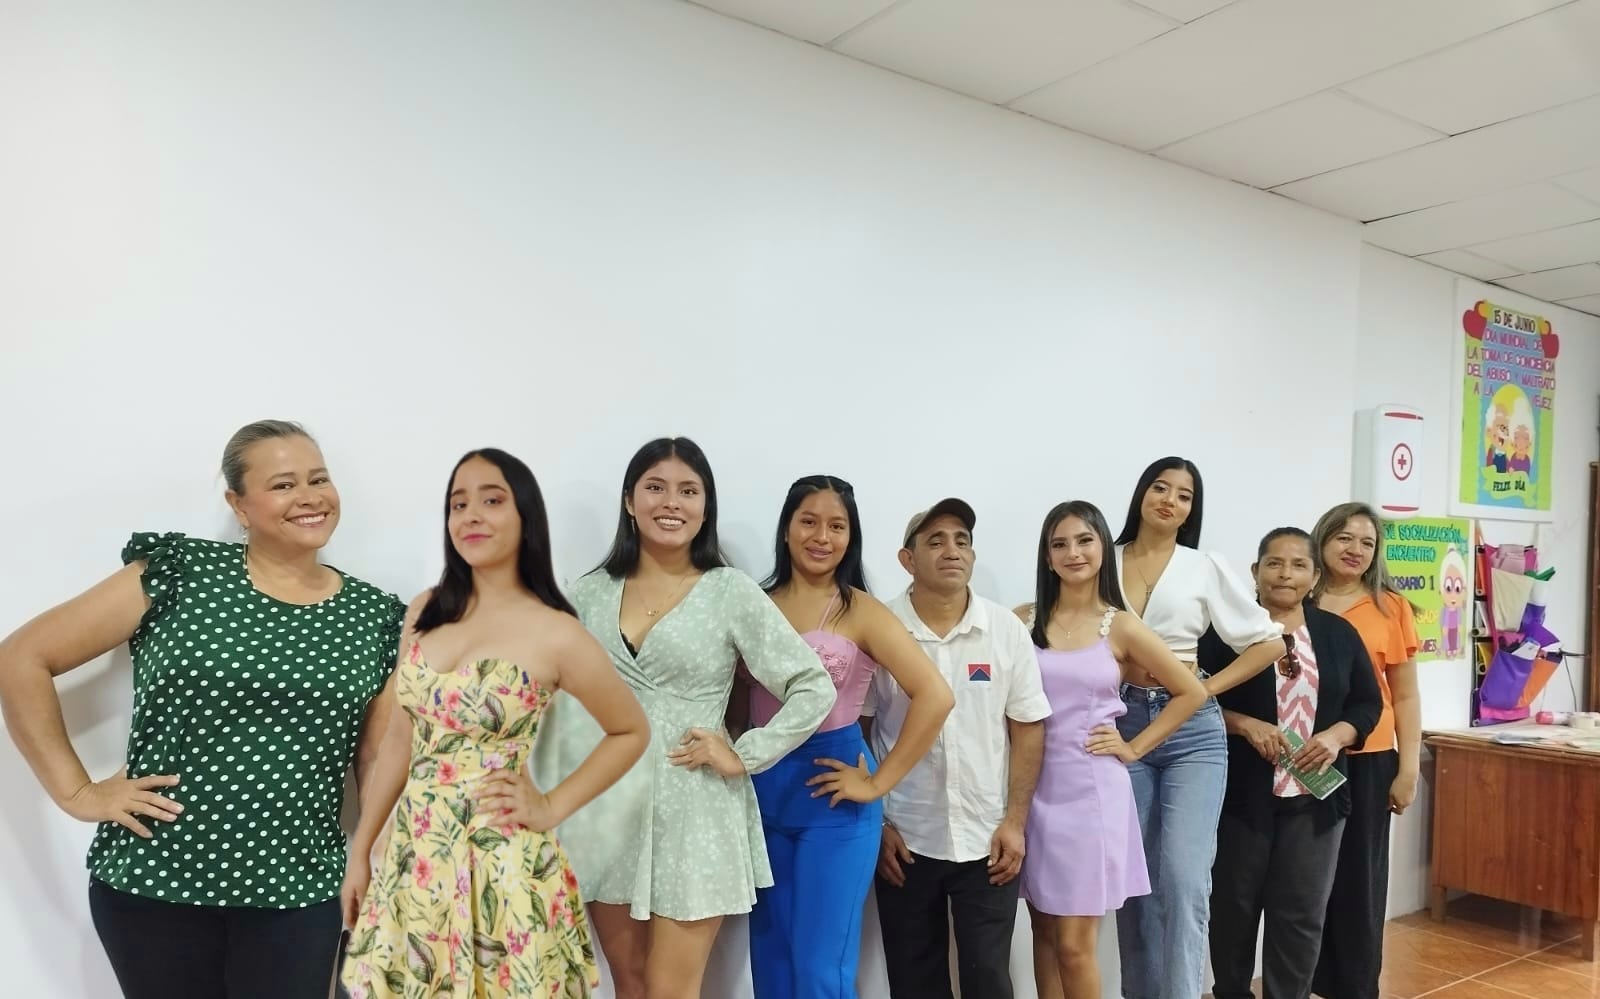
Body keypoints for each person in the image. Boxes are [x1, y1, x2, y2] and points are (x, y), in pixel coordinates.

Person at [0, 420, 406, 999]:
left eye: (319, 479)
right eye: (283, 484)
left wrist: (379, 864)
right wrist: (78, 792)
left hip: (301, 888)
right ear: (239, 505)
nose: (309, 496)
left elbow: (374, 759)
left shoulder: (375, 617)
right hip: (153, 880)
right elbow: (21, 659)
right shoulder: (180, 572)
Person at [532, 437, 835, 999]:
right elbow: (557, 698)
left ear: (705, 506)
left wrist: (743, 753)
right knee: (630, 982)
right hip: (607, 809)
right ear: (630, 501)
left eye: (688, 491)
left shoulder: (729, 591)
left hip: (695, 807)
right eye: (655, 487)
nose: (671, 502)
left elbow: (812, 685)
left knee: (671, 988)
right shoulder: (588, 594)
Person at [340, 449, 650, 998]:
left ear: (525, 516)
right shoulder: (425, 610)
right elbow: (401, 739)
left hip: (503, 860)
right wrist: (362, 850)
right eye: (458, 504)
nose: (471, 516)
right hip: (417, 856)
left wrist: (551, 805)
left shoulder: (557, 632)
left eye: (491, 500)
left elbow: (630, 731)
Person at [731, 475, 953, 999]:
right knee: (771, 960)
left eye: (837, 526)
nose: (822, 537)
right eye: (809, 521)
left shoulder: (861, 610)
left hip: (834, 798)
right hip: (761, 794)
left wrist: (877, 784)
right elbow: (735, 706)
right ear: (787, 528)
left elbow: (936, 696)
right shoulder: (752, 604)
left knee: (820, 970)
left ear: (851, 537)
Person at [1015, 501, 1206, 999]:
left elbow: (1191, 691)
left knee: (1075, 946)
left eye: (1084, 540)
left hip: (1090, 795)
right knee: (1043, 931)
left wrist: (1134, 746)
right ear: (1047, 555)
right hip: (1029, 792)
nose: (1073, 553)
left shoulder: (1121, 625)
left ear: (1103, 546)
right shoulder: (1021, 620)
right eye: (1059, 544)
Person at [1111, 456, 1285, 999]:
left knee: (1185, 880)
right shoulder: (1103, 560)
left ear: (1192, 509)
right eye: (1160, 488)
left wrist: (1204, 690)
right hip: (1120, 721)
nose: (1170, 500)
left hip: (1192, 732)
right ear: (1141, 493)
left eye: (1184, 495)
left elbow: (1269, 642)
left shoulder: (1203, 565)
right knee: (1135, 882)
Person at [866, 498, 1050, 999]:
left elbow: (1028, 729)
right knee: (914, 979)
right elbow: (859, 729)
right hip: (905, 837)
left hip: (988, 837)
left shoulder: (1005, 630)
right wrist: (876, 823)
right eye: (936, 541)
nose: (952, 550)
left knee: (989, 978)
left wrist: (1015, 822)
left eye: (962, 540)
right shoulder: (879, 628)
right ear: (907, 559)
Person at [1204, 527, 1383, 999]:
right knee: (1232, 912)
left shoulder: (1338, 634)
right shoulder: (1224, 632)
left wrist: (1337, 735)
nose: (1285, 574)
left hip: (1315, 802)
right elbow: (1192, 700)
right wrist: (1245, 724)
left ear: (1315, 576)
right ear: (1255, 571)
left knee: (1301, 916)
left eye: (1299, 565)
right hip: (1240, 800)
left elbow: (1367, 703)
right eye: (1274, 563)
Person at [1310, 503, 1420, 999]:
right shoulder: (1296, 597)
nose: (1355, 549)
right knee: (1308, 880)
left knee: (1359, 882)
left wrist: (1408, 769)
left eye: (1367, 542)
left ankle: (1355, 988)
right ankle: (1307, 983)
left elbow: (1405, 695)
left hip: (1370, 759)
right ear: (1323, 539)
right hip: (1305, 759)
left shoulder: (1390, 607)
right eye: (1344, 538)